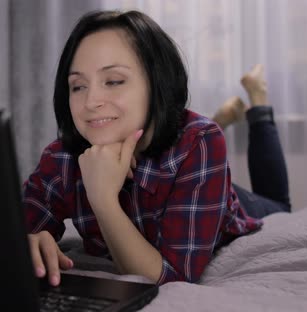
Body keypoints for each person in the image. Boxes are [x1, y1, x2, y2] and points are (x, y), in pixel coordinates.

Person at [22, 10, 291, 287]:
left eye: (113, 81)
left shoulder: (201, 141)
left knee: (280, 202)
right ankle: (222, 116)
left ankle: (258, 100)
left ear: (157, 82)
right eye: (78, 86)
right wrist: (25, 241)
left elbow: (173, 276)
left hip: (225, 205)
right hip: (185, 160)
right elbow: (3, 237)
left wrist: (102, 198)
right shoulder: (61, 159)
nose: (91, 101)